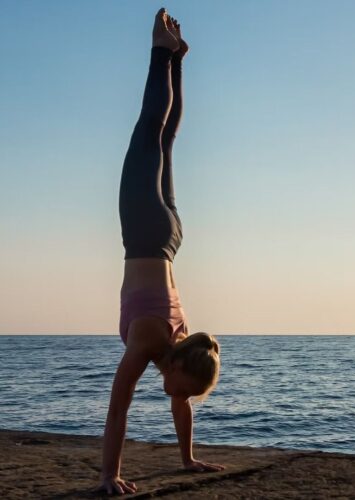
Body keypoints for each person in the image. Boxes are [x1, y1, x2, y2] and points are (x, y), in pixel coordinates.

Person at [97, 8, 224, 495]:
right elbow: (117, 408)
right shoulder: (152, 343)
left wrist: (188, 460)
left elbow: (178, 400)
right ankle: (160, 50)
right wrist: (109, 476)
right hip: (149, 233)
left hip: (171, 238)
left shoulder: (183, 344)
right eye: (183, 388)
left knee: (166, 140)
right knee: (150, 134)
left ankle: (177, 59)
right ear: (175, 367)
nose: (179, 398)